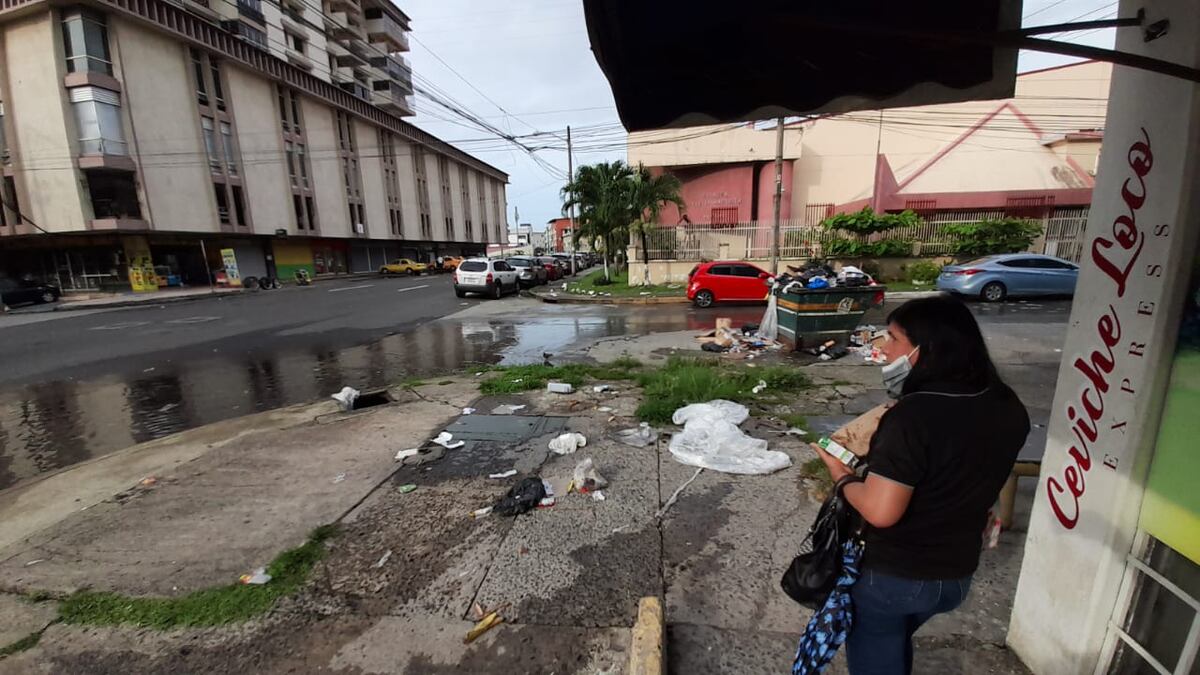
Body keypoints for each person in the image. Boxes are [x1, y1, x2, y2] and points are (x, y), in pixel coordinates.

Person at [814, 295, 1029, 675]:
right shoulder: (1005, 403)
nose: (884, 348)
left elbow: (881, 511)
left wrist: (841, 476)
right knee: (892, 645)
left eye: (893, 338)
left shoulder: (913, 417)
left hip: (896, 576)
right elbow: (961, 466)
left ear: (926, 349)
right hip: (956, 573)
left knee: (879, 650)